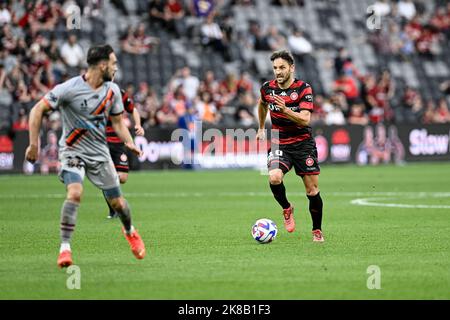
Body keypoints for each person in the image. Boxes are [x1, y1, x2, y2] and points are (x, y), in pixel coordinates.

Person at [25, 44, 146, 268]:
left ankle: (129, 231)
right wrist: (34, 145)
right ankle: (64, 249)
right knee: (75, 193)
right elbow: (36, 110)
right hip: (73, 151)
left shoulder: (112, 91)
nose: (115, 67)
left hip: (99, 153)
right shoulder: (69, 88)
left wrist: (129, 142)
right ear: (102, 65)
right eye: (113, 63)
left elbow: (118, 123)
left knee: (118, 203)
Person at [256, 50, 324, 242]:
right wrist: (261, 127)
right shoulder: (267, 88)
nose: (278, 72)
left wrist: (285, 109)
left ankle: (316, 230)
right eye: (275, 68)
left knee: (312, 191)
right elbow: (262, 104)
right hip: (279, 141)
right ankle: (287, 208)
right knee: (274, 177)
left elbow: (305, 120)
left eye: (282, 67)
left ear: (291, 68)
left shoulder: (304, 88)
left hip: (303, 144)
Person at [105, 88, 144, 218]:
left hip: (118, 140)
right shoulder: (95, 92)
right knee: (108, 174)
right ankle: (114, 208)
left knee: (122, 177)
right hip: (102, 141)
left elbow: (133, 109)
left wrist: (138, 124)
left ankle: (111, 193)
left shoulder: (119, 93)